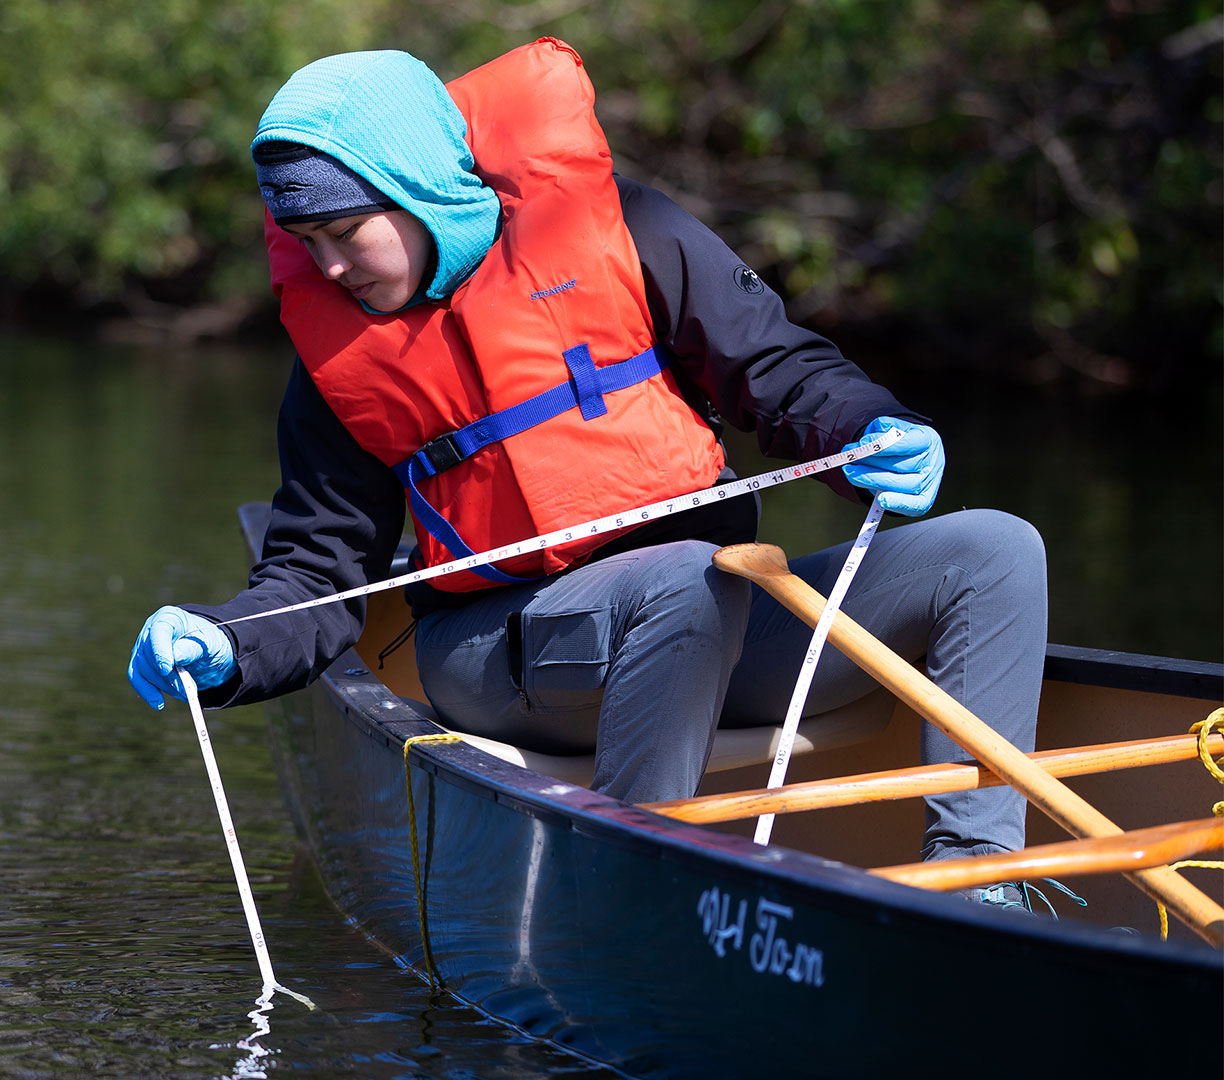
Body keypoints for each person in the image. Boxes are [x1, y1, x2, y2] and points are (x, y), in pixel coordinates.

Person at [126, 41, 1047, 901]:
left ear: (412, 189)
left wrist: (874, 425)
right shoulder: (339, 364)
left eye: (345, 230)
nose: (327, 267)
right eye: (305, 240)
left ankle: (981, 881)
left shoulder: (622, 228)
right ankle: (640, 888)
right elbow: (315, 577)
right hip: (507, 653)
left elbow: (774, 367)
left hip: (705, 625)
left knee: (995, 552)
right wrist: (228, 643)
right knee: (688, 580)